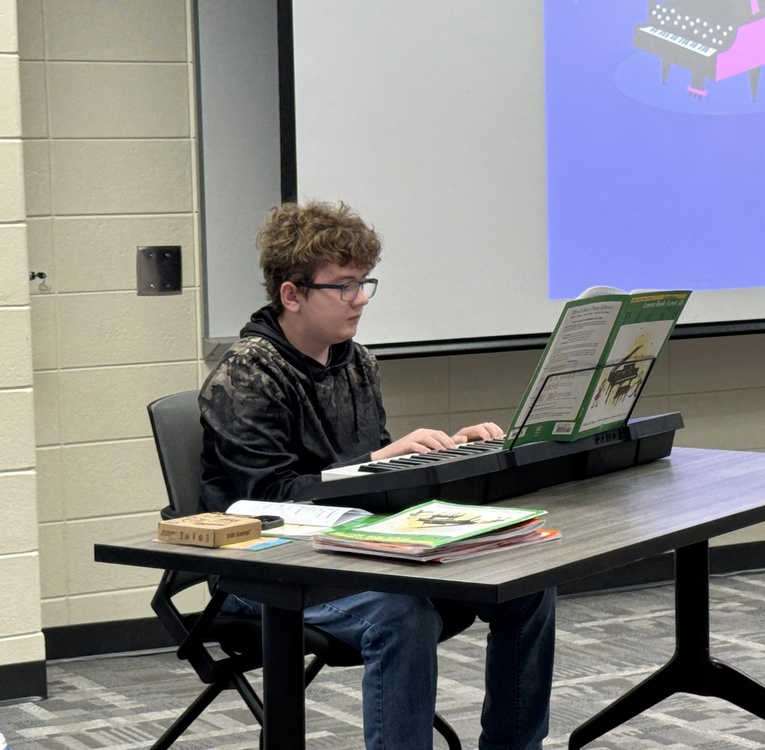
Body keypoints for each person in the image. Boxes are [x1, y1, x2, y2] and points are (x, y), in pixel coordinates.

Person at [198, 200, 556, 750]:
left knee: (527, 587)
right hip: (264, 570)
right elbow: (269, 500)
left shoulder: (356, 361)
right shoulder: (247, 373)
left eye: (364, 282)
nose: (360, 298)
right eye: (343, 286)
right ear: (291, 295)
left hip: (360, 548)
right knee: (403, 615)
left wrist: (448, 456)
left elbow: (374, 481)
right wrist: (378, 462)